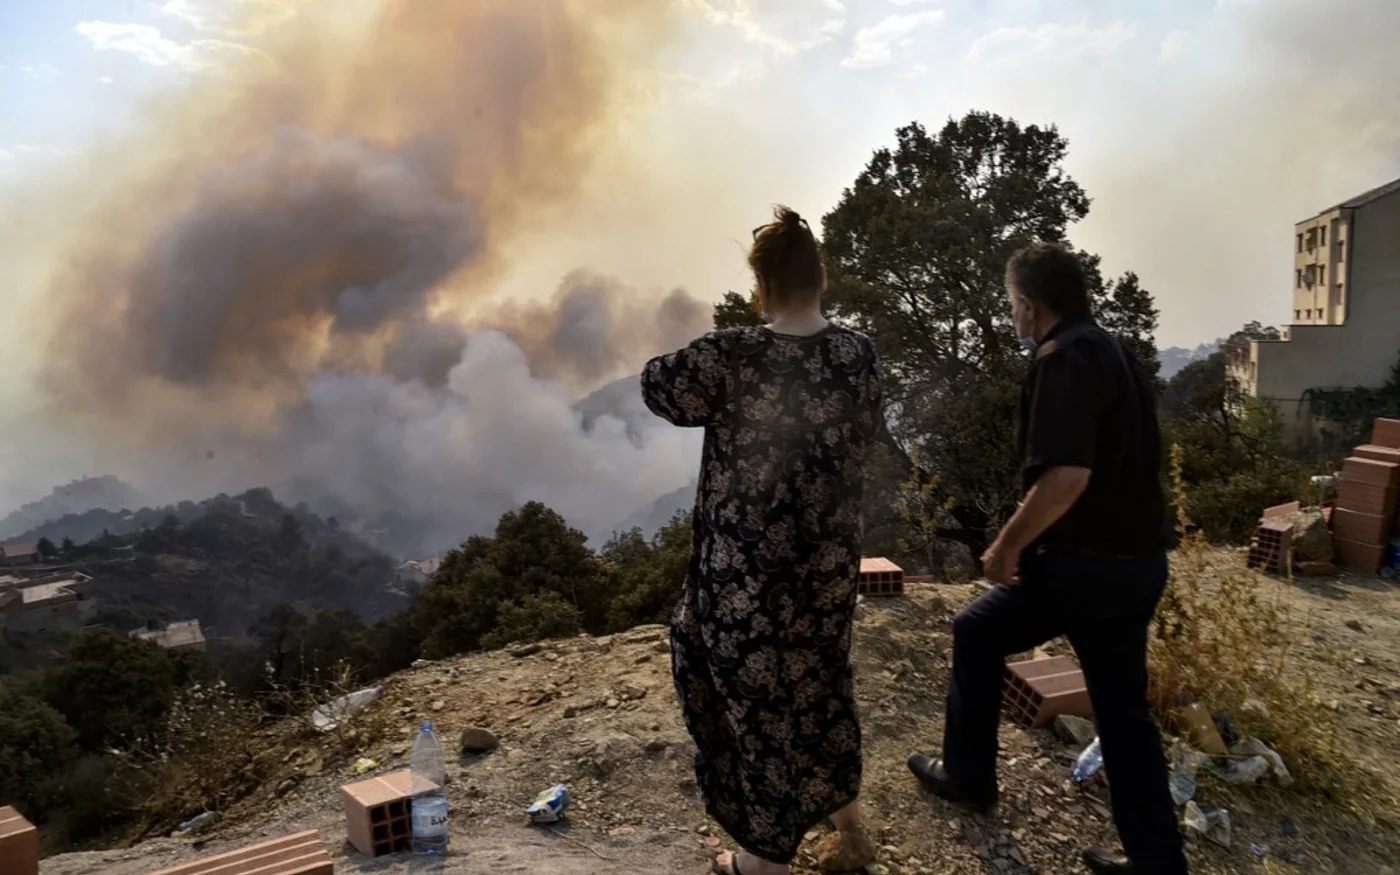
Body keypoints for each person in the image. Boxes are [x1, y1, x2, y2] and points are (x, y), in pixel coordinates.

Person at [906, 242, 1188, 875]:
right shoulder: (1115, 352)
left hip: (1084, 568)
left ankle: (969, 778)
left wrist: (1007, 544)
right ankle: (1157, 861)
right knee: (1123, 711)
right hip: (1139, 563)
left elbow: (1066, 477)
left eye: (1013, 304)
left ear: (1029, 306)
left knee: (974, 632)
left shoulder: (1059, 360)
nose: (1012, 315)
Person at [641, 207, 884, 875]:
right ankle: (849, 826)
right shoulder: (857, 353)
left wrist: (695, 339)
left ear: (764, 285)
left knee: (752, 703)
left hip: (745, 575)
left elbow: (656, 386)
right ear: (820, 279)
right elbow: (862, 434)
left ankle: (764, 859)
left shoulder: (732, 354)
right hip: (829, 568)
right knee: (822, 682)